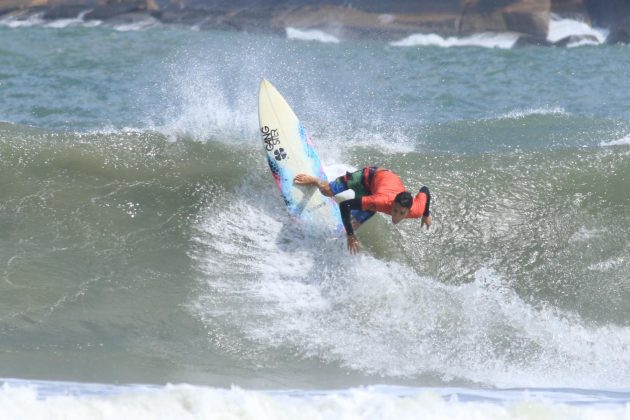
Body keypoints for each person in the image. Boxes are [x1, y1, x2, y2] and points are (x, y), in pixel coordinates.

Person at [294, 166, 432, 254]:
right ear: (392, 203)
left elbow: (425, 190)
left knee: (353, 224)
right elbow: (345, 206)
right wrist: (350, 235)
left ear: (408, 211)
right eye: (394, 210)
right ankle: (316, 180)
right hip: (367, 177)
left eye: (401, 213)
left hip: (379, 188)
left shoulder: (417, 210)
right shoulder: (381, 201)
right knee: (327, 191)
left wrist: (426, 214)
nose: (396, 216)